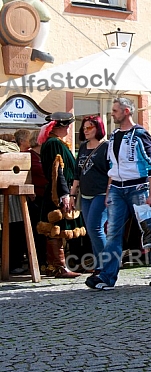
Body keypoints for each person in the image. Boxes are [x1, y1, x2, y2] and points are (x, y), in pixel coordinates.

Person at [85, 97, 151, 290]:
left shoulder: (140, 134)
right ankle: (107, 277)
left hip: (138, 187)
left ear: (126, 111)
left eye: (114, 110)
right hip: (116, 189)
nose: (112, 114)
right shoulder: (113, 136)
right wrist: (108, 191)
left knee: (149, 230)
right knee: (113, 233)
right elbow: (112, 166)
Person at [37, 112, 85, 278]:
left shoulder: (56, 143)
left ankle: (58, 266)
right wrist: (64, 194)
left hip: (61, 190)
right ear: (59, 127)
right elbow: (57, 171)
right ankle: (58, 267)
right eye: (67, 126)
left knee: (61, 229)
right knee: (55, 229)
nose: (68, 129)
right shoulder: (53, 144)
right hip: (57, 192)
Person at [70, 116, 109, 270]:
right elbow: (77, 173)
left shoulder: (106, 147)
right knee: (91, 230)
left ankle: (106, 265)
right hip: (85, 195)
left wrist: (108, 194)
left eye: (89, 128)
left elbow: (111, 173)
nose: (85, 131)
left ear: (98, 128)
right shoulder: (84, 147)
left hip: (101, 193)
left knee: (95, 228)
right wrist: (72, 194)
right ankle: (100, 265)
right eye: (84, 128)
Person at [0, 133, 27, 274]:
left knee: (15, 231)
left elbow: (14, 150)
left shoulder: (10, 148)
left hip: (13, 197)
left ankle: (13, 263)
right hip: (5, 198)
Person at [25, 129, 47, 271]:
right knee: (36, 230)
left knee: (46, 230)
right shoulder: (28, 155)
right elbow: (25, 174)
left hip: (47, 196)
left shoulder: (45, 155)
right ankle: (37, 262)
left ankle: (46, 261)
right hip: (35, 197)